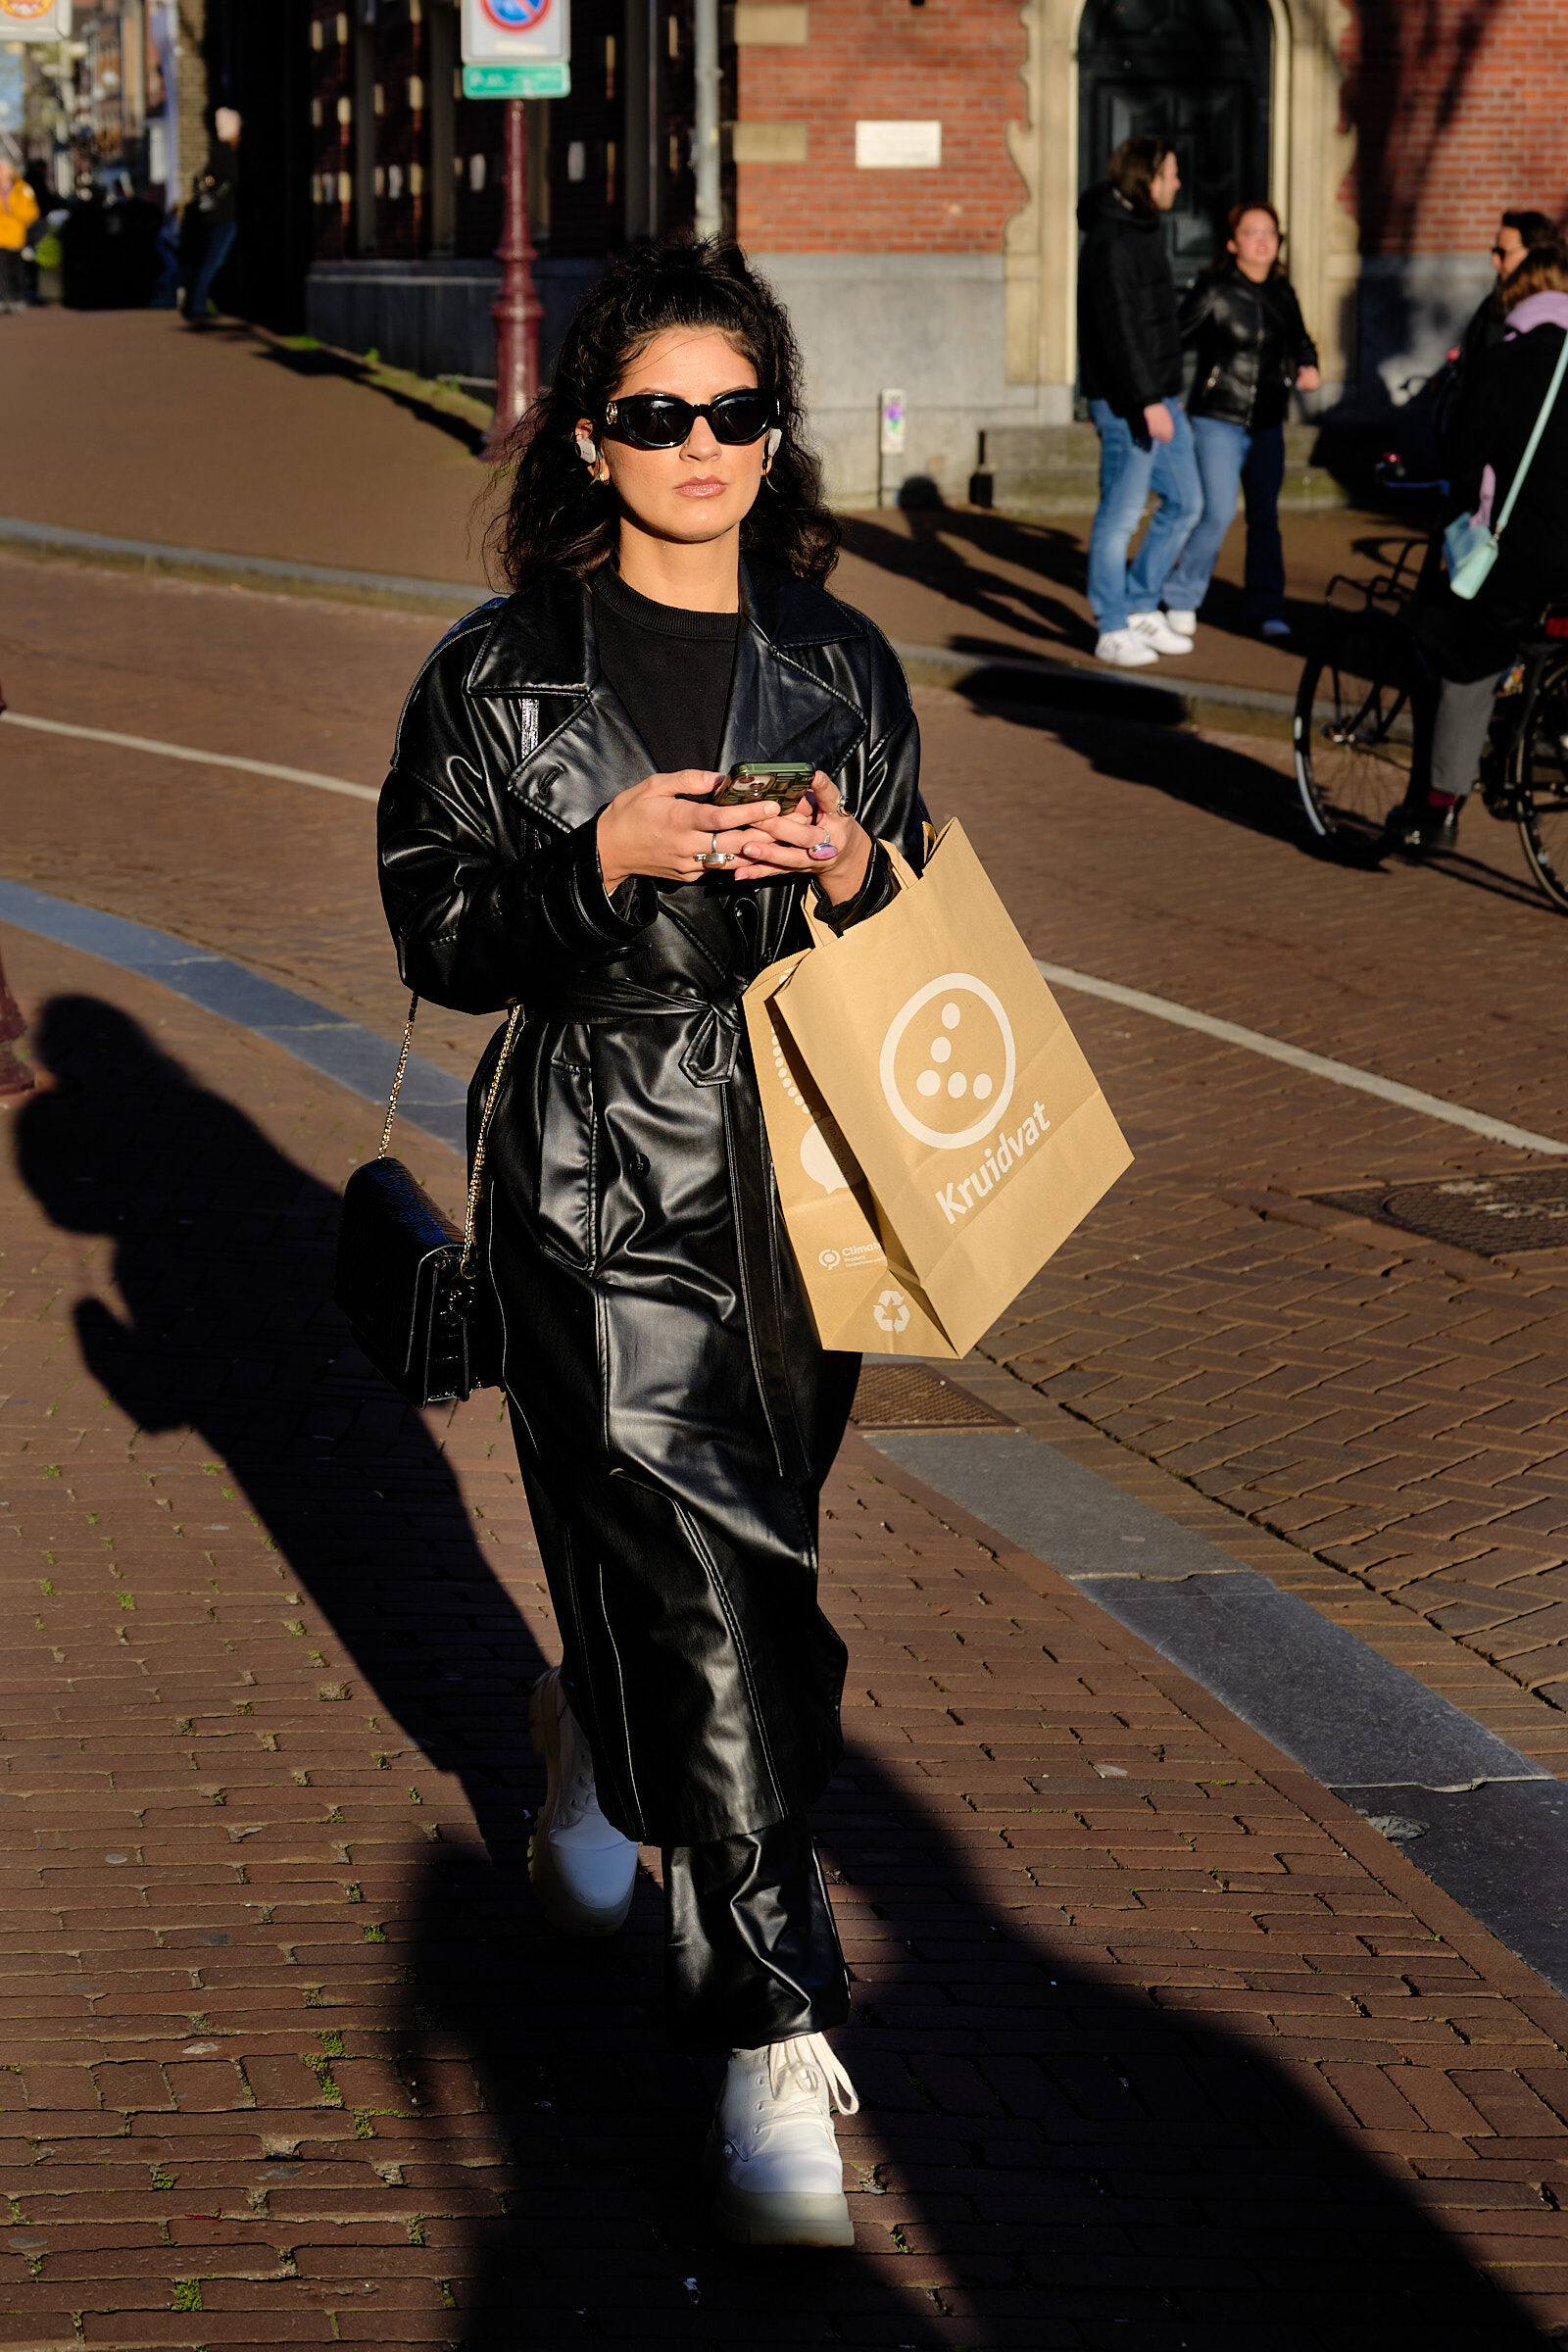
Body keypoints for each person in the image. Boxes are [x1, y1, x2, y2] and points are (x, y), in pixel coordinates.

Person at [376, 240, 926, 2246]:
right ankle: (772, 2036)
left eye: (735, 412)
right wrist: (594, 858)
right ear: (592, 441)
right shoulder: (496, 671)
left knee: (746, 1564)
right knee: (713, 1588)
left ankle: (590, 1737)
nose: (701, 446)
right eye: (658, 415)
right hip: (595, 1165)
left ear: (775, 435)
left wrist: (854, 869)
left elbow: (912, 911)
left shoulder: (843, 663)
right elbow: (440, 931)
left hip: (803, 1169)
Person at [1386, 243, 1568, 858]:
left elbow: (1464, 458)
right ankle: (1529, 727)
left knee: (1468, 656)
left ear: (1518, 295)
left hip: (1528, 547)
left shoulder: (1507, 360)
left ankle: (1437, 809)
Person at [1159, 201, 1320, 643]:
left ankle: (1267, 607)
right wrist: (1157, 398)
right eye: (1252, 233)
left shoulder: (1284, 293)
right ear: (1232, 244)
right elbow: (1174, 341)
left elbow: (1301, 341)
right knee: (1217, 511)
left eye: (1270, 233)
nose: (1263, 241)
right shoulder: (1213, 290)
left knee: (1265, 516)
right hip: (1218, 417)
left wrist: (1308, 364)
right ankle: (1182, 596)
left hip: (1267, 421)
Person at [1076, 134, 1203, 668]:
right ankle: (1111, 626)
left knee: (1187, 502)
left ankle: (1138, 604)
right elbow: (1119, 330)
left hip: (1158, 396)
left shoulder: (1141, 231)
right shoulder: (1110, 241)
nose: (1177, 182)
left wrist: (1162, 395)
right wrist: (1148, 400)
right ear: (1146, 178)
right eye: (1169, 173)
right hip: (1129, 402)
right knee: (1121, 514)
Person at [183, 106, 240, 325]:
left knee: (213, 260)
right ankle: (199, 305)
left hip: (216, 216)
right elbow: (233, 180)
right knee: (213, 261)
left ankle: (203, 302)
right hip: (224, 216)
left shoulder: (216, 153)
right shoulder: (226, 153)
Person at [0, 158, 39, 315]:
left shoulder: (23, 188)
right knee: (1, 270)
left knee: (16, 270)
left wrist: (12, 208)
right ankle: (2, 299)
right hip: (1, 236)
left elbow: (31, 213)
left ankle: (16, 298)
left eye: (3, 169)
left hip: (16, 236)